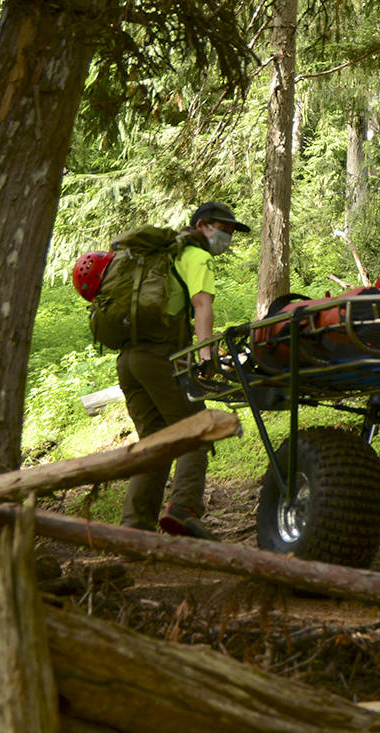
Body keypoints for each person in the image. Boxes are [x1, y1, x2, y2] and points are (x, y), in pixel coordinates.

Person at [118, 200, 249, 538]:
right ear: (203, 225)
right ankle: (183, 508)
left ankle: (134, 529)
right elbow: (202, 305)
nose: (227, 238)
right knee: (195, 432)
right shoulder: (196, 255)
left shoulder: (161, 256)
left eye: (231, 233)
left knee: (155, 441)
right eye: (224, 230)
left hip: (129, 361)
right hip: (161, 357)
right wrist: (207, 356)